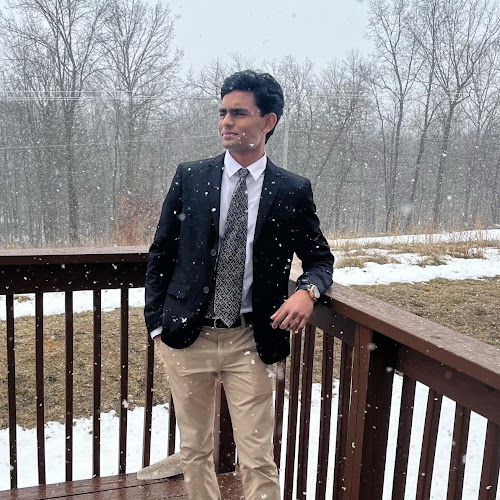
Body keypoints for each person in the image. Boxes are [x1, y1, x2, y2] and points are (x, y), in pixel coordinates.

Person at [144, 70, 334, 500]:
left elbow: (320, 259)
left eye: (239, 113)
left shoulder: (291, 190)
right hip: (187, 336)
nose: (226, 122)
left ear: (268, 121)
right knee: (195, 450)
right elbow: (161, 254)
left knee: (257, 456)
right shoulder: (191, 177)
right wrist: (156, 324)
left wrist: (307, 291)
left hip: (251, 337)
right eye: (222, 112)